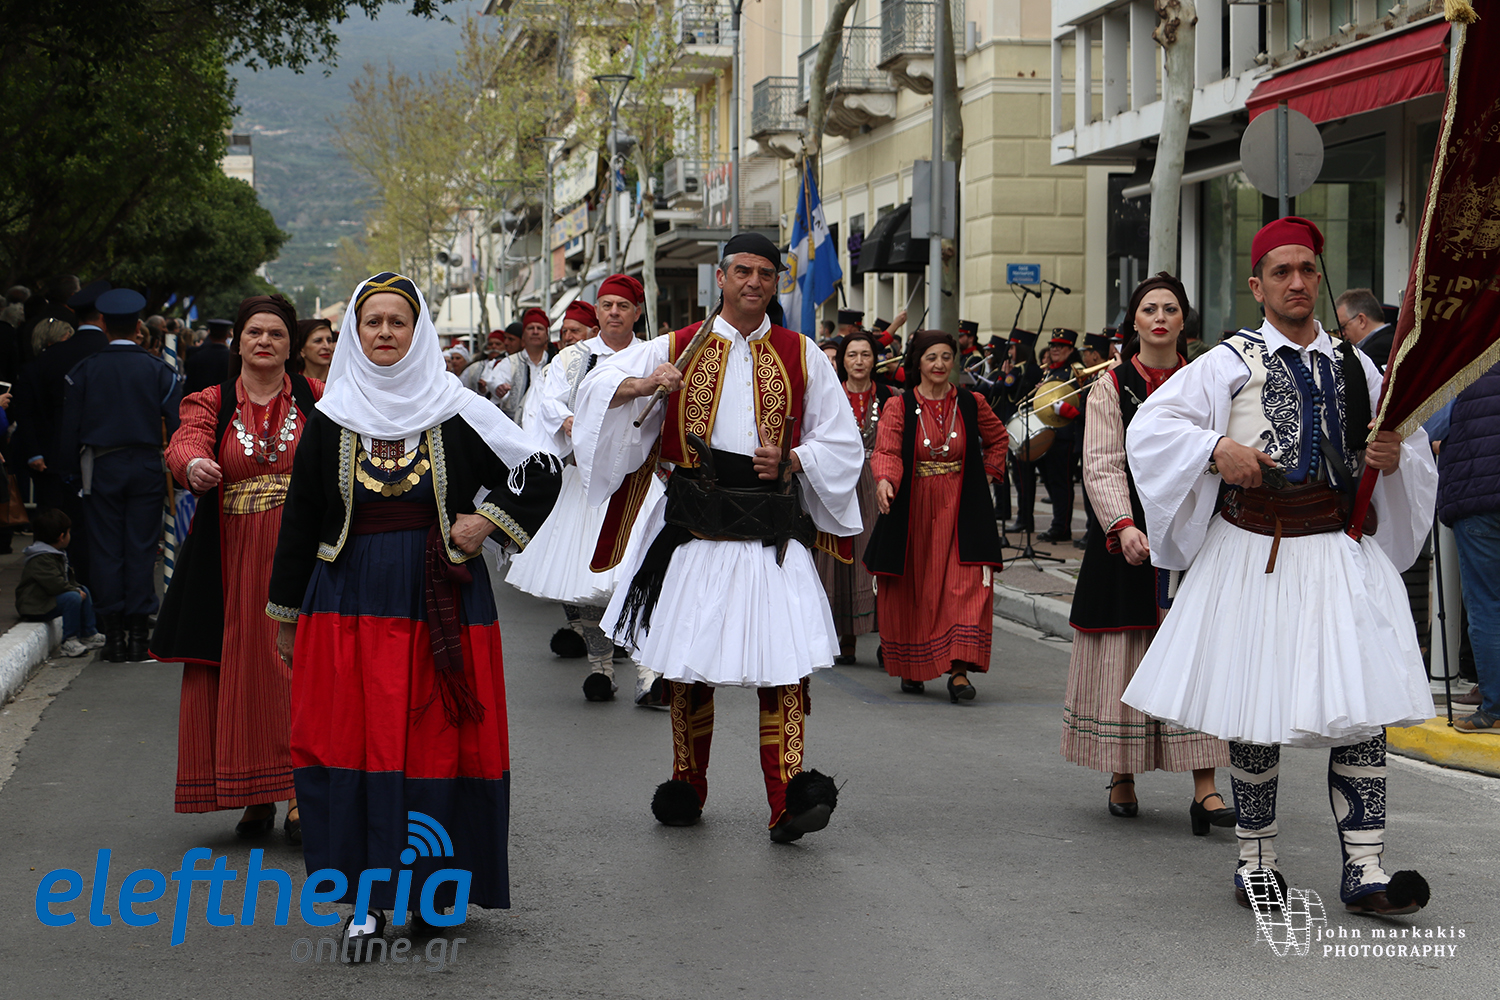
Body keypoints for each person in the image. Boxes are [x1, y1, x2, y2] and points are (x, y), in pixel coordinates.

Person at [1122, 217, 1438, 917]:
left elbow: (1403, 442)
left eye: (1307, 269)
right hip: (1254, 551)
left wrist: (1395, 456)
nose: (1297, 282)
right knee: (1255, 711)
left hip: (1338, 551)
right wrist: (1215, 449)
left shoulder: (1357, 364)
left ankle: (1366, 871)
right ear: (1257, 285)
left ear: (1319, 277)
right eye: (1281, 272)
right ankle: (1256, 864)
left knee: (1363, 715)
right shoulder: (1228, 361)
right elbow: (1151, 427)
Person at [267, 272, 560, 953]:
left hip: (441, 603)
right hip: (348, 605)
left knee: (436, 746)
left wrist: (485, 523)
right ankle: (366, 902)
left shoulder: (457, 409)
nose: (385, 333)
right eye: (372, 322)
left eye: (398, 321)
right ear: (355, 334)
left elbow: (541, 470)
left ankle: (435, 894)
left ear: (418, 331)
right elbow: (301, 519)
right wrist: (286, 615)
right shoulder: (332, 416)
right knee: (355, 745)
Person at [573, 232, 862, 842]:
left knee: (785, 669)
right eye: (743, 271)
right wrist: (646, 384)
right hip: (695, 531)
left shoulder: (803, 352)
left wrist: (795, 459)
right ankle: (687, 784)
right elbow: (594, 392)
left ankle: (788, 801)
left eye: (765, 273)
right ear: (722, 277)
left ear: (775, 282)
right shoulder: (674, 346)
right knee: (687, 667)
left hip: (769, 532)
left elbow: (841, 440)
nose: (754, 282)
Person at [1060, 274, 1231, 830]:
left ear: (1184, 321)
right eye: (1149, 309)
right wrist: (1124, 525)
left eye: (1170, 309)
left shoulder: (1207, 381)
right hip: (1129, 538)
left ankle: (1205, 786)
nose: (1160, 317)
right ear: (1133, 321)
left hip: (1194, 533)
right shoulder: (1111, 386)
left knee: (1195, 653)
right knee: (1127, 652)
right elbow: (1101, 462)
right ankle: (1122, 773)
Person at [151, 294, 322, 843]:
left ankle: (299, 792)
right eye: (255, 332)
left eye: (276, 333)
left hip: (305, 553)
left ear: (292, 345)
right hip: (233, 557)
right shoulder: (211, 400)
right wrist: (194, 464)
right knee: (243, 673)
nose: (265, 341)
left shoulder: (319, 397)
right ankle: (254, 794)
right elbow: (184, 444)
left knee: (298, 668)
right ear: (239, 342)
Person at [508, 289, 666, 704]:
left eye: (623, 306)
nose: (615, 313)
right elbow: (548, 405)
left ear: (637, 312)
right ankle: (601, 669)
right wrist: (569, 421)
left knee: (637, 577)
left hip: (636, 482)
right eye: (607, 305)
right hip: (583, 483)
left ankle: (647, 673)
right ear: (598, 311)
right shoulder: (571, 359)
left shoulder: (653, 355)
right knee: (588, 584)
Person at [865, 330, 1006, 701]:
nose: (940, 364)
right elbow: (887, 450)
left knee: (966, 585)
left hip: (963, 509)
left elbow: (998, 439)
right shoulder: (899, 405)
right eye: (932, 357)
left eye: (946, 356)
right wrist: (885, 481)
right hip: (914, 507)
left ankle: (959, 672)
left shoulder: (972, 402)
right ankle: (912, 667)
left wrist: (986, 475)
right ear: (918, 363)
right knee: (916, 589)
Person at [58, 288, 181, 662]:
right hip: (146, 466)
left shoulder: (84, 371)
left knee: (106, 549)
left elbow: (69, 430)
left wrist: (71, 475)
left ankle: (113, 637)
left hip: (102, 467)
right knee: (141, 549)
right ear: (139, 326)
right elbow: (178, 424)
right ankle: (138, 637)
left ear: (103, 324)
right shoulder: (159, 370)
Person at [12, 280, 111, 587]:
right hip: (97, 457)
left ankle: (56, 577)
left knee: (58, 521)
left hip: (54, 457)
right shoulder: (106, 354)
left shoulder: (47, 362)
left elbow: (29, 413)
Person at [816, 330, 894, 664]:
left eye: (865, 354)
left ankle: (888, 637)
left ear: (875, 359)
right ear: (842, 361)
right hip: (840, 484)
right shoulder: (828, 396)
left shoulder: (891, 396)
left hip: (881, 483)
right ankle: (846, 635)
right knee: (843, 557)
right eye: (852, 355)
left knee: (880, 557)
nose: (859, 361)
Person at [1437, 361, 1500, 734]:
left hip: (1477, 498)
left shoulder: (1465, 364)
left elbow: (1429, 428)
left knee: (1487, 604)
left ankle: (1494, 708)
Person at [16, 508, 105, 657]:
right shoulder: (41, 558)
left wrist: (76, 588)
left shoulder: (54, 554)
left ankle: (89, 634)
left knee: (83, 589)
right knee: (73, 597)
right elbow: (54, 584)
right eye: (69, 532)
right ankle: (69, 640)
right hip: (34, 606)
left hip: (44, 600)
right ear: (61, 536)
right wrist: (74, 590)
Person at [489, 308, 554, 424]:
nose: (535, 332)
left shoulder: (555, 363)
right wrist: (499, 388)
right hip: (514, 427)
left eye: (539, 328)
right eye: (530, 328)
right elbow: (496, 380)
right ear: (523, 336)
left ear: (546, 336)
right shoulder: (510, 362)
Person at [1335, 288, 1395, 371]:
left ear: (1361, 320)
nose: (1341, 334)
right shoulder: (1394, 339)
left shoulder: (1375, 351)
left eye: (1343, 327)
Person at [184, 319, 234, 395]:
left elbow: (189, 384)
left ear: (210, 336)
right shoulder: (232, 358)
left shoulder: (197, 356)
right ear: (226, 336)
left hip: (200, 398)